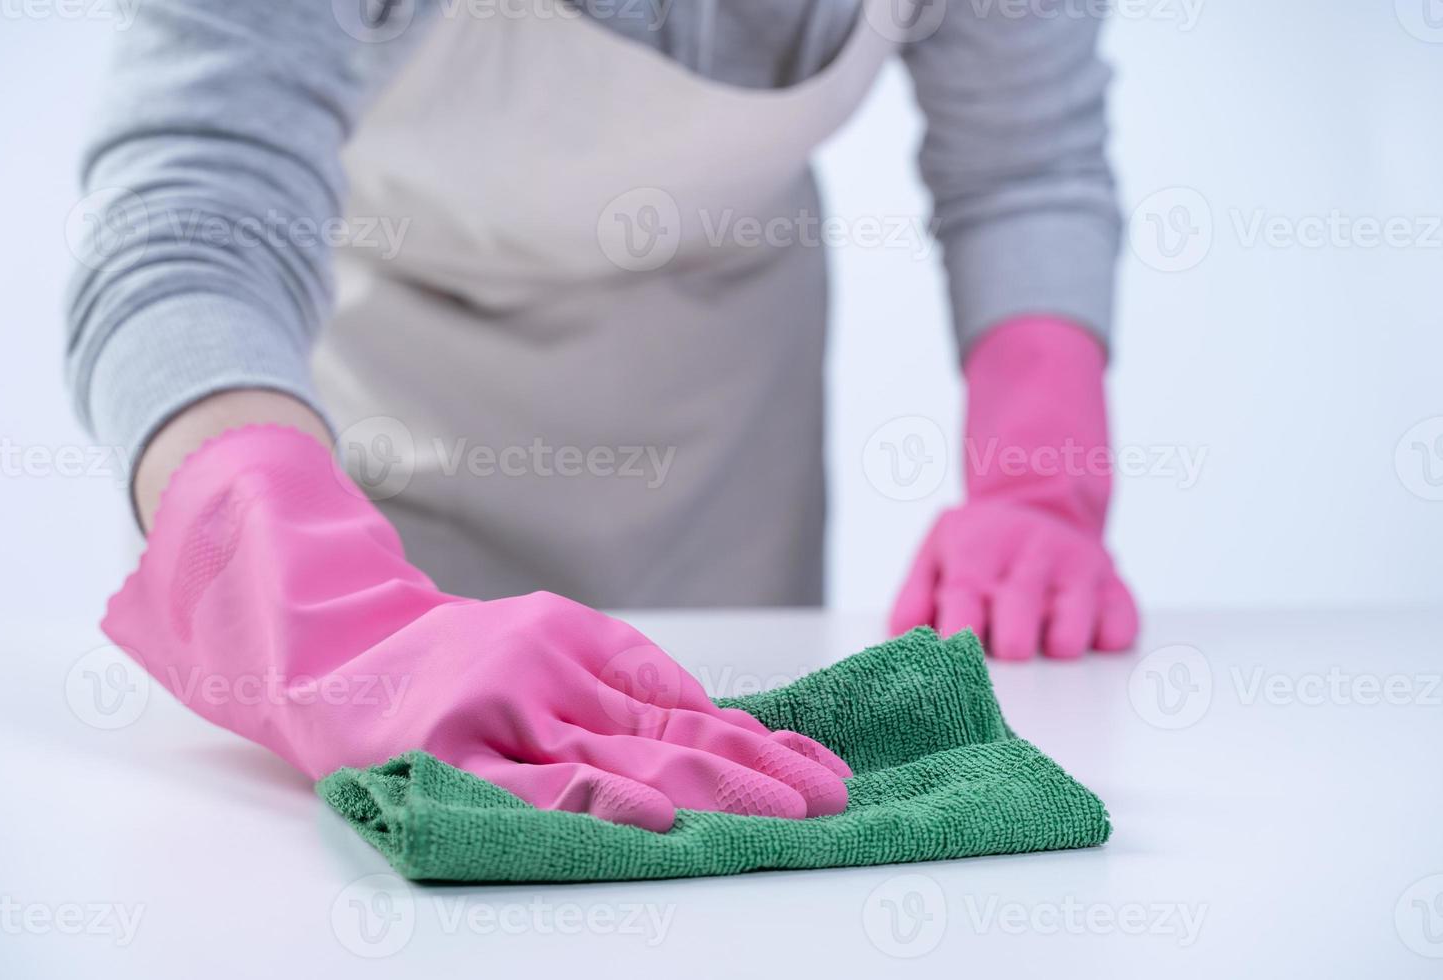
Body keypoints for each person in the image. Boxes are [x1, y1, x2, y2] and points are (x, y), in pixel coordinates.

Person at [68, 0, 1137, 829]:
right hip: (367, 413)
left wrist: (1037, 480)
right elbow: (188, 226)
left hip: (717, 418)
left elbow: (1024, 167)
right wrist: (314, 592)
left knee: (731, 847)